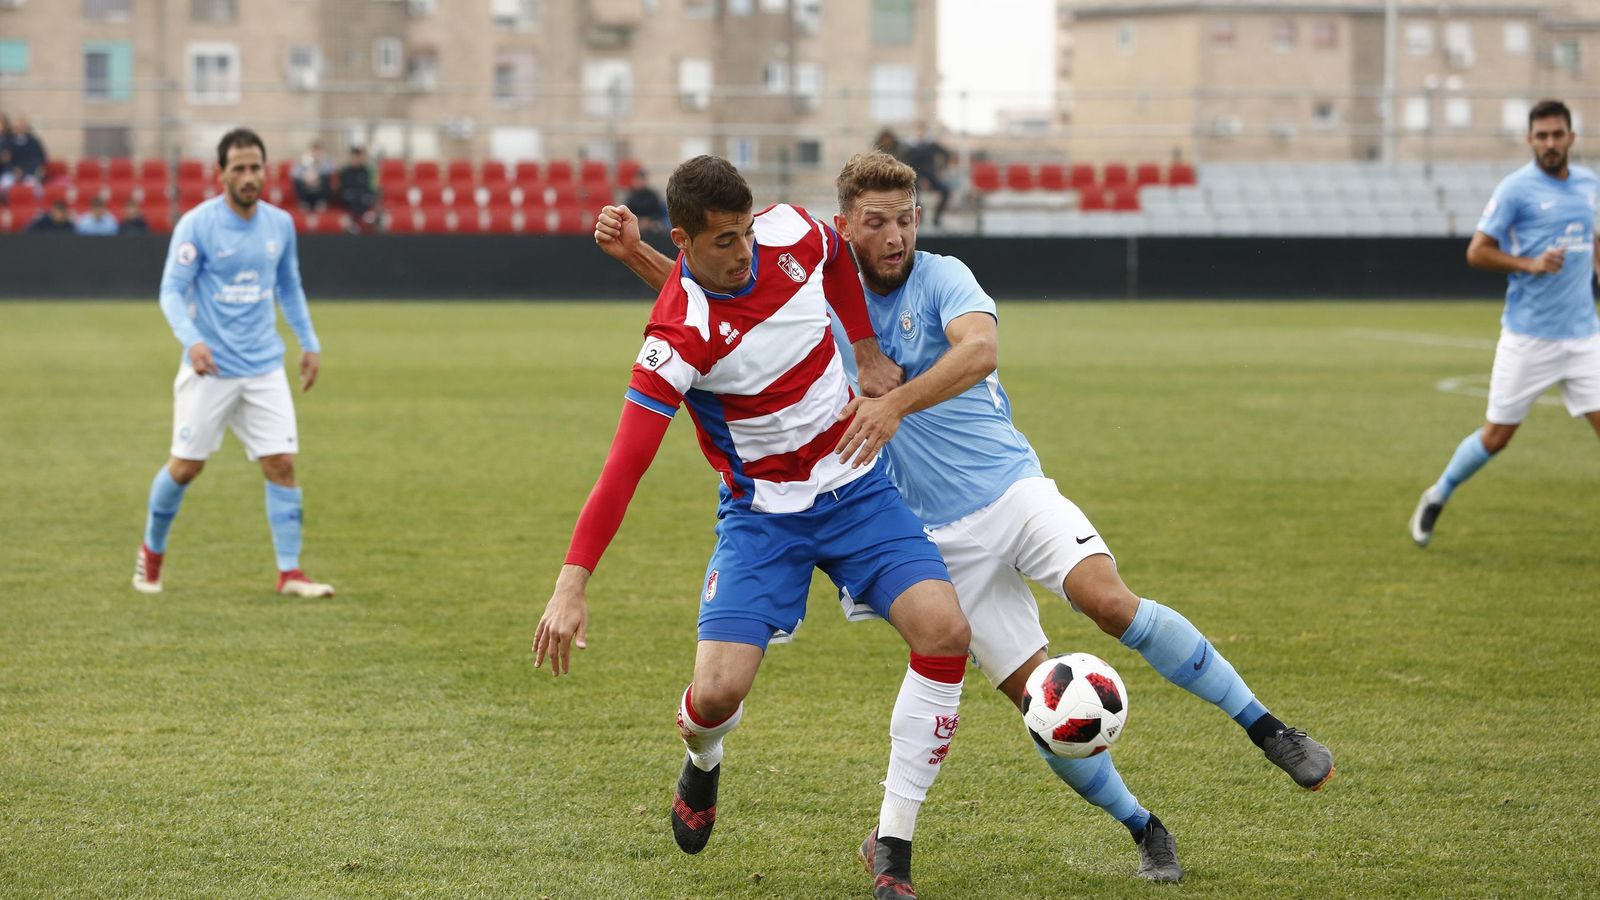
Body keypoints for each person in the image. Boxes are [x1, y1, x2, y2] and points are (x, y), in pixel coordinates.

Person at [596, 151, 1337, 887]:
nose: (896, 236)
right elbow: (724, 307)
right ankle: (1145, 828)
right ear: (845, 227)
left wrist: (891, 400)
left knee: (1108, 601)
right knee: (1043, 704)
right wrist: (638, 256)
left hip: (1014, 491)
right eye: (877, 223)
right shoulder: (810, 287)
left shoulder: (943, 276)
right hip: (937, 540)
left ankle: (1269, 728)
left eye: (908, 220)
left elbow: (980, 351)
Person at [535, 155, 972, 900]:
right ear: (681, 241)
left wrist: (863, 346)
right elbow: (623, 467)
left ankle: (892, 845)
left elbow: (836, 260)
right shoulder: (675, 339)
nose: (742, 253)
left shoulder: (792, 230)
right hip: (762, 518)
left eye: (745, 233)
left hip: (854, 488)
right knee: (713, 695)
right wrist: (571, 583)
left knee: (946, 631)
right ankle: (703, 765)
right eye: (723, 242)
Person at [133, 128, 334, 599]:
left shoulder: (279, 224)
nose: (248, 177)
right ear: (220, 173)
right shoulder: (198, 225)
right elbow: (170, 291)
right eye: (239, 168)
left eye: (255, 167)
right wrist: (193, 340)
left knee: (281, 464)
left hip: (264, 366)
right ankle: (151, 553)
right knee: (185, 468)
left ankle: (290, 573)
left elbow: (289, 286)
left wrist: (309, 342)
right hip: (212, 369)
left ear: (266, 170)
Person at [1410, 99, 1600, 548]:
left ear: (1572, 137)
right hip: (1528, 338)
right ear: (1530, 140)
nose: (1550, 143)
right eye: (1542, 136)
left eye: (1557, 135)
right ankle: (1438, 494)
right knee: (1496, 437)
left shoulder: (1591, 184)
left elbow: (1593, 240)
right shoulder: (1516, 189)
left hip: (1584, 336)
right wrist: (1530, 264)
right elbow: (1476, 251)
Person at [900, 123, 953, 228]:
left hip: (931, 175)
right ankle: (920, 219)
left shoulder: (931, 145)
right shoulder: (910, 147)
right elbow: (904, 161)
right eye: (918, 131)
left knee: (946, 191)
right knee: (912, 196)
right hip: (914, 177)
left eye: (922, 131)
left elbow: (946, 154)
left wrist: (941, 169)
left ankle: (936, 218)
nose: (920, 134)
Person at [335, 147, 377, 231]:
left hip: (363, 197)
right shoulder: (345, 171)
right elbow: (341, 188)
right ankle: (355, 221)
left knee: (363, 197)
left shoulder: (367, 171)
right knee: (352, 196)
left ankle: (359, 220)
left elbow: (371, 188)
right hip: (349, 197)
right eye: (354, 157)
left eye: (358, 157)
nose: (356, 160)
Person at [4, 114, 47, 188]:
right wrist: (13, 169)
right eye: (17, 127)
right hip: (12, 172)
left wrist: (37, 168)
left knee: (34, 187)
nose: (19, 128)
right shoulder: (8, 142)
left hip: (30, 171)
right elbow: (6, 160)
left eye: (21, 126)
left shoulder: (33, 141)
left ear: (25, 127)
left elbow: (40, 157)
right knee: (5, 183)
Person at [291, 140, 333, 211]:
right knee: (297, 180)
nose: (315, 153)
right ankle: (304, 203)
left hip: (319, 188)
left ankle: (321, 202)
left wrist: (317, 177)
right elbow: (294, 173)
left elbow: (330, 169)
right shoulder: (303, 161)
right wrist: (305, 177)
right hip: (306, 187)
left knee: (325, 178)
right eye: (313, 150)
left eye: (317, 150)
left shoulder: (326, 161)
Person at [621, 169, 667, 234]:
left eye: (642, 180)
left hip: (651, 224)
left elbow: (658, 212)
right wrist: (639, 221)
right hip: (635, 224)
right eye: (638, 180)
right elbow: (627, 214)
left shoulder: (653, 195)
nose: (640, 182)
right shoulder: (630, 197)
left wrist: (649, 221)